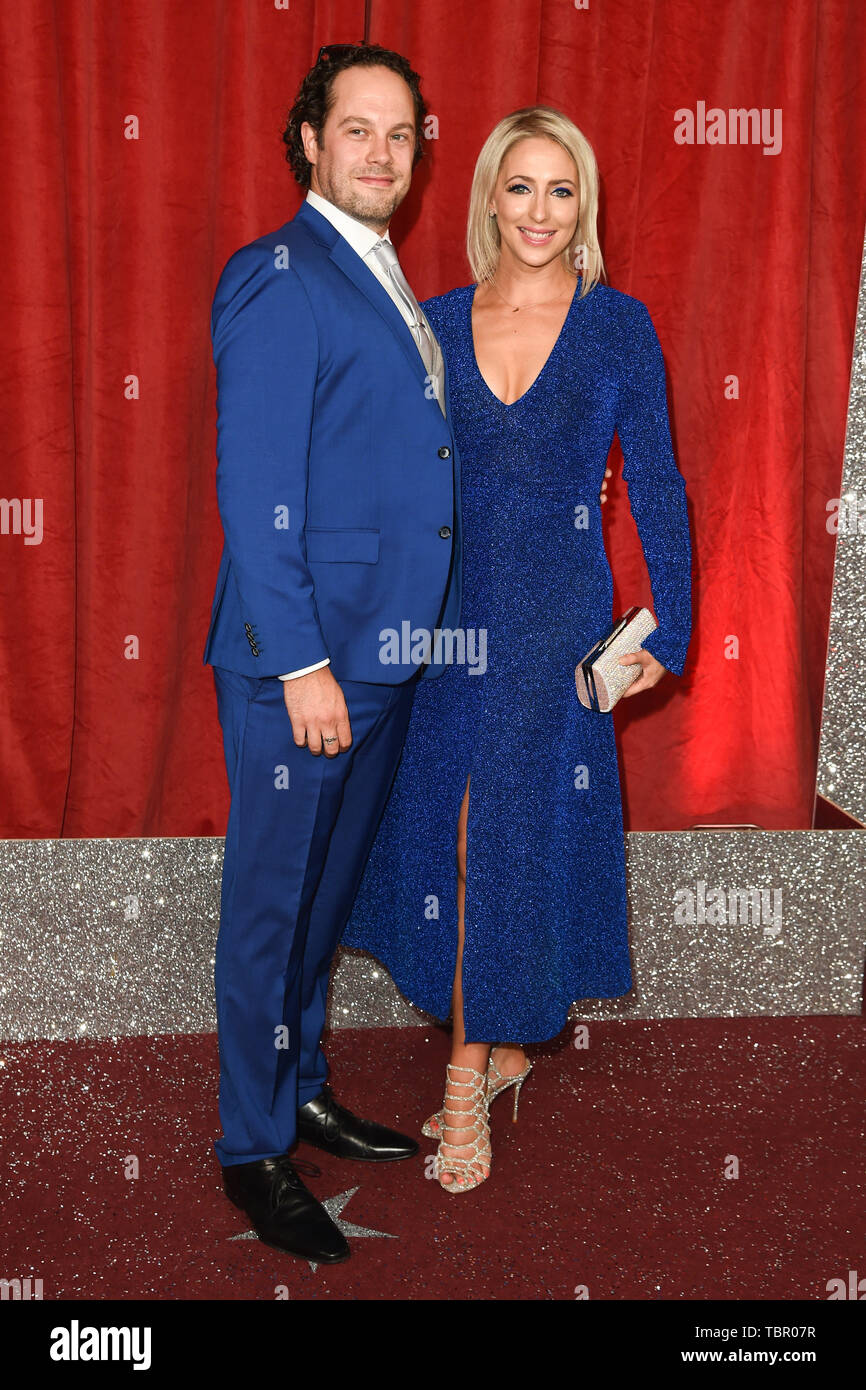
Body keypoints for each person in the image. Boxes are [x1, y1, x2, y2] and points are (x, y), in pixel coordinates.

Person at [343, 106, 693, 1193]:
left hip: (555, 618)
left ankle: (462, 1079)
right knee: (449, 839)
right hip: (447, 616)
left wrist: (665, 634)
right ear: (487, 197)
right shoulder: (433, 319)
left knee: (499, 835)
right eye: (519, 187)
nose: (539, 210)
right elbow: (389, 476)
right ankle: (492, 1047)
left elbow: (659, 488)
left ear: (580, 206)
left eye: (561, 190)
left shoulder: (617, 326)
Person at [202, 43, 462, 1261]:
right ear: (310, 139)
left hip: (380, 657)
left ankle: (299, 1081)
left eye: (399, 135)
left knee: (318, 900)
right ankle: (251, 1148)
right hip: (296, 665)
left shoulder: (381, 270)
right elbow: (254, 489)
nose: (379, 153)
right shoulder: (278, 272)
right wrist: (300, 661)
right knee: (270, 906)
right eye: (356, 129)